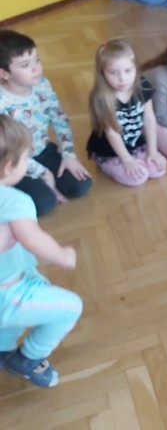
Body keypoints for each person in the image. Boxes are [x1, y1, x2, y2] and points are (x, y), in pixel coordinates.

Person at [0, 115, 82, 388]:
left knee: (9, 323)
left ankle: (2, 351)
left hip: (9, 285)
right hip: (8, 294)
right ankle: (28, 358)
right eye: (25, 158)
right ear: (9, 166)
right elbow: (33, 239)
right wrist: (62, 255)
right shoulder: (14, 201)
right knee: (70, 307)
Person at [0, 28, 92, 216]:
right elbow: (9, 152)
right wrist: (44, 174)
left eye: (37, 60)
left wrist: (69, 155)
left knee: (81, 185)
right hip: (14, 161)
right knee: (44, 204)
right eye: (25, 65)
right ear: (4, 73)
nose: (36, 68)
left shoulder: (42, 84)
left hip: (43, 151)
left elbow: (59, 118)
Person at [86, 40, 167, 186]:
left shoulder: (143, 85)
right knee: (138, 178)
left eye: (128, 71)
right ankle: (104, 162)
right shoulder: (101, 98)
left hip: (135, 142)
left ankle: (137, 153)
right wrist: (127, 160)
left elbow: (149, 118)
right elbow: (112, 132)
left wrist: (153, 150)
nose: (122, 79)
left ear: (136, 68)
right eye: (113, 73)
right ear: (102, 73)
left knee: (157, 170)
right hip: (110, 149)